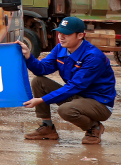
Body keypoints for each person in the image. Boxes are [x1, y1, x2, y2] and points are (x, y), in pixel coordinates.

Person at [18, 16, 115, 144]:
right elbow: (42, 69)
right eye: (60, 33)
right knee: (38, 82)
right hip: (77, 95)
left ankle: (94, 127)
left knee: (66, 110)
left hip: (99, 103)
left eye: (67, 34)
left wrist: (42, 100)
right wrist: (28, 56)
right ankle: (47, 127)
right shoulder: (61, 49)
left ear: (80, 35)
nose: (61, 37)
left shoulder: (93, 57)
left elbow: (75, 86)